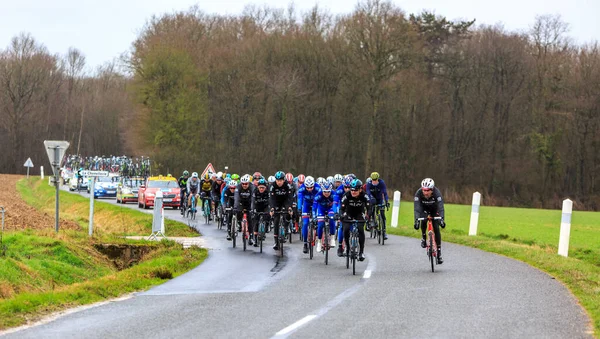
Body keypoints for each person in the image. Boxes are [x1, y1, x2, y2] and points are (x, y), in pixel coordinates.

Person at [414, 178, 446, 264]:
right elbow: (417, 208)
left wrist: (442, 219)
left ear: (432, 189)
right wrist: (416, 220)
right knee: (423, 220)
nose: (425, 193)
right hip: (423, 209)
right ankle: (424, 237)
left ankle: (439, 252)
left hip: (434, 210)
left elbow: (441, 207)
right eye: (424, 190)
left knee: (436, 227)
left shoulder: (437, 193)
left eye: (428, 190)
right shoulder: (418, 193)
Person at [338, 179, 369, 261]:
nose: (353, 192)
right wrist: (341, 215)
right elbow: (341, 208)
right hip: (349, 213)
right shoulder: (347, 195)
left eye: (355, 190)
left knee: (360, 229)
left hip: (359, 213)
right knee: (346, 229)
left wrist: (368, 216)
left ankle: (361, 252)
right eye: (352, 190)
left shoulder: (364, 195)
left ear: (360, 189)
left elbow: (369, 207)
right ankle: (348, 248)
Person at [269, 171, 294, 250]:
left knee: (287, 213)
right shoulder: (272, 186)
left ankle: (286, 228)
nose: (279, 182)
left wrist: (289, 207)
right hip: (276, 202)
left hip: (285, 201)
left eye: (280, 180)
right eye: (277, 180)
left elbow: (290, 197)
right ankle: (276, 241)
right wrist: (272, 208)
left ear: (284, 180)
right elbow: (271, 199)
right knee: (276, 220)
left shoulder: (288, 186)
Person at [365, 171, 390, 240]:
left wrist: (387, 201)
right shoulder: (369, 184)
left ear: (378, 179)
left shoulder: (381, 183)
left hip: (379, 199)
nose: (374, 181)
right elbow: (368, 192)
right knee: (371, 208)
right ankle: (371, 220)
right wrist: (371, 198)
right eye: (373, 180)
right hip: (372, 199)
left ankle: (384, 231)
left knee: (382, 214)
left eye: (376, 180)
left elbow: (385, 193)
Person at [298, 176, 319, 254]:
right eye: (308, 188)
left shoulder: (318, 188)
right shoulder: (302, 188)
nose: (309, 189)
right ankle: (305, 244)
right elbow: (300, 199)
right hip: (306, 205)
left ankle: (316, 232)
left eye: (311, 187)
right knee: (305, 223)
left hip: (315, 204)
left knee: (316, 219)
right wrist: (299, 208)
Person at [313, 181, 336, 252]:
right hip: (321, 209)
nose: (326, 194)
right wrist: (314, 216)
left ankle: (332, 237)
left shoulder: (334, 194)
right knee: (320, 225)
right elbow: (314, 207)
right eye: (325, 192)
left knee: (332, 219)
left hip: (330, 209)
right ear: (322, 191)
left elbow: (336, 204)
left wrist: (336, 213)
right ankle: (319, 242)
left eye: (328, 192)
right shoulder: (318, 195)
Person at [234, 174, 254, 244]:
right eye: (243, 184)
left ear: (248, 183)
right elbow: (236, 198)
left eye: (246, 184)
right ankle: (239, 223)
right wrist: (235, 207)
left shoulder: (252, 187)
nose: (244, 185)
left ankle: (251, 236)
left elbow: (253, 199)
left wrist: (252, 208)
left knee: (250, 218)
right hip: (241, 202)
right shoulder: (238, 187)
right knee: (238, 212)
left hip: (249, 203)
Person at [251, 178, 271, 246]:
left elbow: (270, 201)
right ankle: (255, 239)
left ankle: (266, 227)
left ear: (265, 187)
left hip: (265, 206)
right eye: (260, 188)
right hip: (257, 206)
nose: (261, 189)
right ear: (257, 187)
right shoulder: (255, 191)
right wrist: (253, 209)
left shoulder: (268, 192)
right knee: (255, 220)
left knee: (268, 215)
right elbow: (253, 202)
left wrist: (270, 210)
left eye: (263, 188)